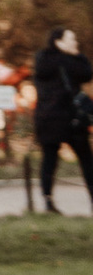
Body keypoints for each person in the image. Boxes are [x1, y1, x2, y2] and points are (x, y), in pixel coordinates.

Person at [32, 25, 91, 209]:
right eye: (71, 39)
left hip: (52, 118)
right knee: (85, 159)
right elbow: (87, 73)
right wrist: (76, 55)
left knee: (51, 160)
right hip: (64, 118)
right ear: (58, 42)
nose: (75, 43)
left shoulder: (44, 60)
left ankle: (47, 199)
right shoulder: (63, 61)